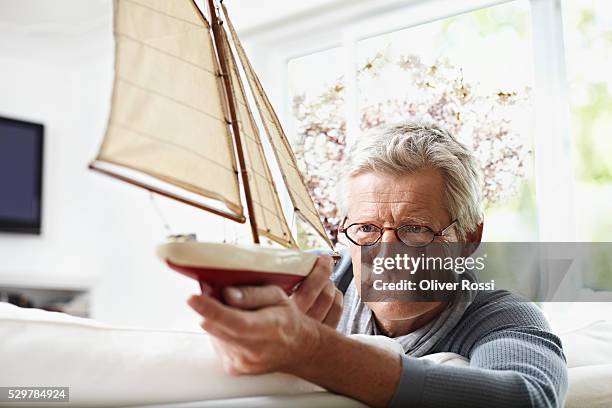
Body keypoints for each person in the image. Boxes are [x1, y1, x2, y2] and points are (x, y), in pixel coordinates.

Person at [187, 121, 568, 407]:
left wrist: (312, 351)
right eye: (366, 228)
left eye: (416, 230)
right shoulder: (312, 282)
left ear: (468, 238)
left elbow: (530, 398)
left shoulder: (499, 315)